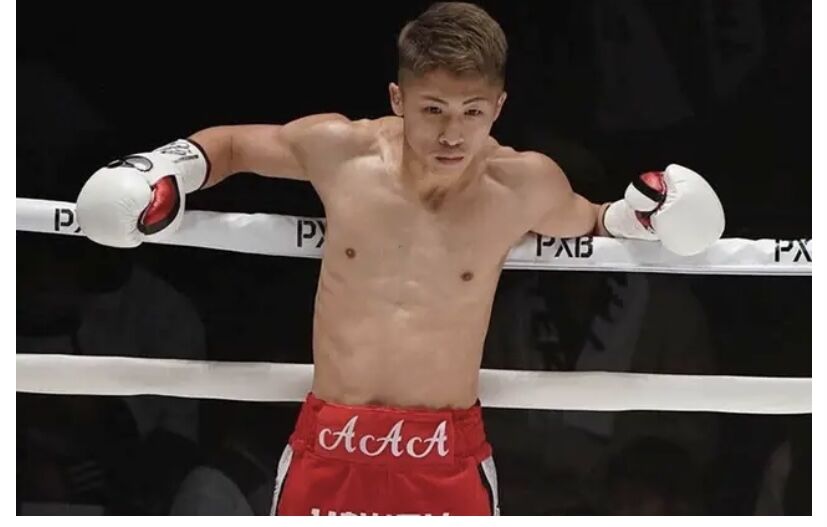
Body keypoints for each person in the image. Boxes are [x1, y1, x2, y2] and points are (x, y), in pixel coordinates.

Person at [74, 2, 724, 516]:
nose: (452, 132)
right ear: (397, 99)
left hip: (444, 449)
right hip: (333, 439)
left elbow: (591, 219)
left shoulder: (522, 184)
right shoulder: (344, 153)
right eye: (433, 108)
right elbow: (235, 145)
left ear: (498, 106)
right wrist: (160, 170)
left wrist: (648, 213)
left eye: (472, 111)